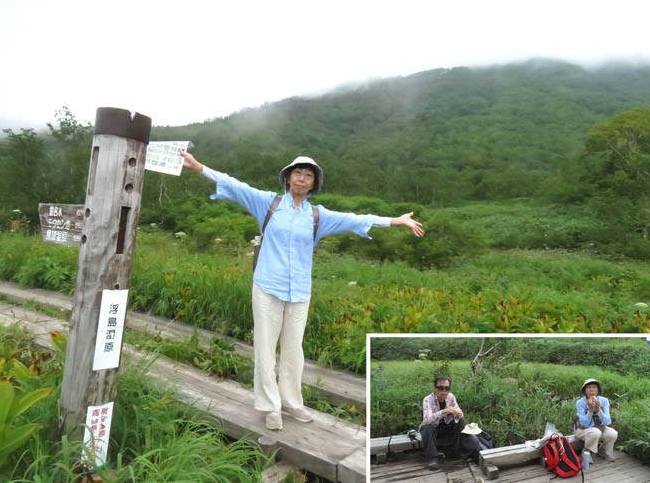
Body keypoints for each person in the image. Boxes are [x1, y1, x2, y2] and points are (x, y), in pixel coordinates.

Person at [180, 150, 424, 430]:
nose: (302, 179)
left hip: (299, 292)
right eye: (298, 173)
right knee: (265, 348)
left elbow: (355, 218)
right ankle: (270, 407)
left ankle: (292, 403)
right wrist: (200, 168)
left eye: (308, 175)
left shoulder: (318, 216)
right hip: (267, 287)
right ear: (288, 177)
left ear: (313, 183)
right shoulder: (268, 204)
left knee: (294, 350)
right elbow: (235, 185)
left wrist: (395, 221)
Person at [419, 375, 468, 470]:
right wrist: (444, 411)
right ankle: (432, 459)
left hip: (445, 427)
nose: (444, 391)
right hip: (432, 429)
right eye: (441, 388)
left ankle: (455, 451)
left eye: (447, 388)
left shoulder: (451, 397)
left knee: (461, 421)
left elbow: (459, 412)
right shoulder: (427, 400)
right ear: (435, 388)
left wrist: (458, 414)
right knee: (427, 427)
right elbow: (426, 420)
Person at [574, 378, 618, 462]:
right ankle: (586, 452)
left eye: (594, 387)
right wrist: (590, 410)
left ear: (598, 390)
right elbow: (584, 424)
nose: (591, 389)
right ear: (584, 390)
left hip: (599, 428)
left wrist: (598, 410)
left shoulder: (604, 401)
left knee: (613, 433)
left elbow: (607, 421)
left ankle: (604, 451)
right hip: (582, 429)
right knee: (595, 432)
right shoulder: (580, 403)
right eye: (588, 387)